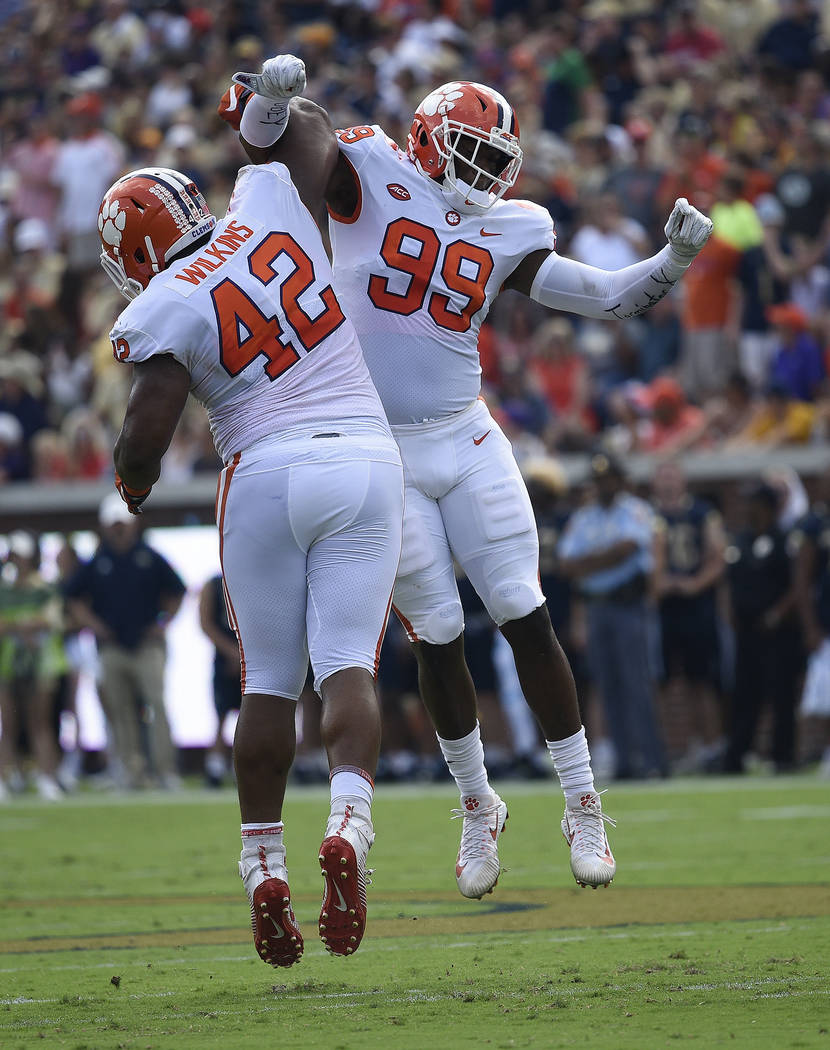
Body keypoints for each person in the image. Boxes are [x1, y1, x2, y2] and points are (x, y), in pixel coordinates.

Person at [218, 56, 712, 896]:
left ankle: (581, 800)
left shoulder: (512, 224)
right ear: (426, 138)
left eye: (495, 158)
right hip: (381, 450)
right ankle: (478, 804)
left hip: (467, 434)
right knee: (439, 635)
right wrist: (267, 97)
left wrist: (667, 263)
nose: (483, 172)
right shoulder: (368, 168)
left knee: (524, 608)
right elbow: (266, 144)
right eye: (469, 150)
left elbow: (601, 295)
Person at [94, 151, 403, 967]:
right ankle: (347, 826)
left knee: (267, 682)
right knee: (348, 669)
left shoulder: (162, 302)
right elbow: (291, 145)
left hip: (263, 469)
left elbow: (145, 437)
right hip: (365, 457)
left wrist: (130, 488)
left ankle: (263, 860)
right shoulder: (263, 200)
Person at [64, 494, 185, 791]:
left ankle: (165, 770)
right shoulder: (97, 562)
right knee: (120, 710)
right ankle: (132, 772)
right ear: (106, 527)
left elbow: (177, 590)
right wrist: (95, 626)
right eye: (114, 524)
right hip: (112, 648)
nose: (118, 529)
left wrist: (163, 623)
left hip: (146, 645)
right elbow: (73, 598)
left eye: (122, 524)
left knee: (156, 703)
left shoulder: (149, 557)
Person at [557, 453, 666, 782]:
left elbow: (628, 549)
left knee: (637, 684)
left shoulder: (635, 510)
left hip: (628, 606)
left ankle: (653, 760)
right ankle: (624, 762)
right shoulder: (584, 516)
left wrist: (589, 563)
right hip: (597, 608)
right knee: (608, 686)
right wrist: (604, 560)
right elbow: (565, 564)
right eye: (598, 479)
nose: (603, 485)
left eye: (609, 479)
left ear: (620, 481)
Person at [723, 482, 803, 774]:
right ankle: (737, 755)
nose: (747, 509)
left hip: (778, 631)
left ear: (767, 506)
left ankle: (783, 755)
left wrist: (779, 612)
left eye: (753, 502)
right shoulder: (740, 540)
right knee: (745, 694)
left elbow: (798, 583)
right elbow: (731, 582)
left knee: (781, 693)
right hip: (746, 630)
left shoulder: (785, 539)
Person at [652, 461, 726, 771]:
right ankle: (674, 750)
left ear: (683, 480)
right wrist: (660, 584)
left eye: (672, 475)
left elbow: (717, 556)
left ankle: (711, 746)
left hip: (696, 606)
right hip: (664, 608)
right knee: (664, 682)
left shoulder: (702, 513)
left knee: (701, 680)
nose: (668, 482)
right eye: (663, 476)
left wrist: (693, 584)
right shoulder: (649, 515)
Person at [0, 531, 66, 801]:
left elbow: (52, 621)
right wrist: (24, 625)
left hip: (41, 665)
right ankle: (6, 778)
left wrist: (18, 626)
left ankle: (46, 777)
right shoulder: (4, 591)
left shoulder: (44, 589)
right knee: (9, 723)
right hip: (7, 664)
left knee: (40, 722)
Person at [198, 573, 241, 788]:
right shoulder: (214, 585)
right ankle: (214, 767)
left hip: (252, 660)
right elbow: (206, 624)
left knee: (252, 715)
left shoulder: (254, 579)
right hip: (224, 660)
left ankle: (242, 766)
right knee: (221, 714)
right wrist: (232, 652)